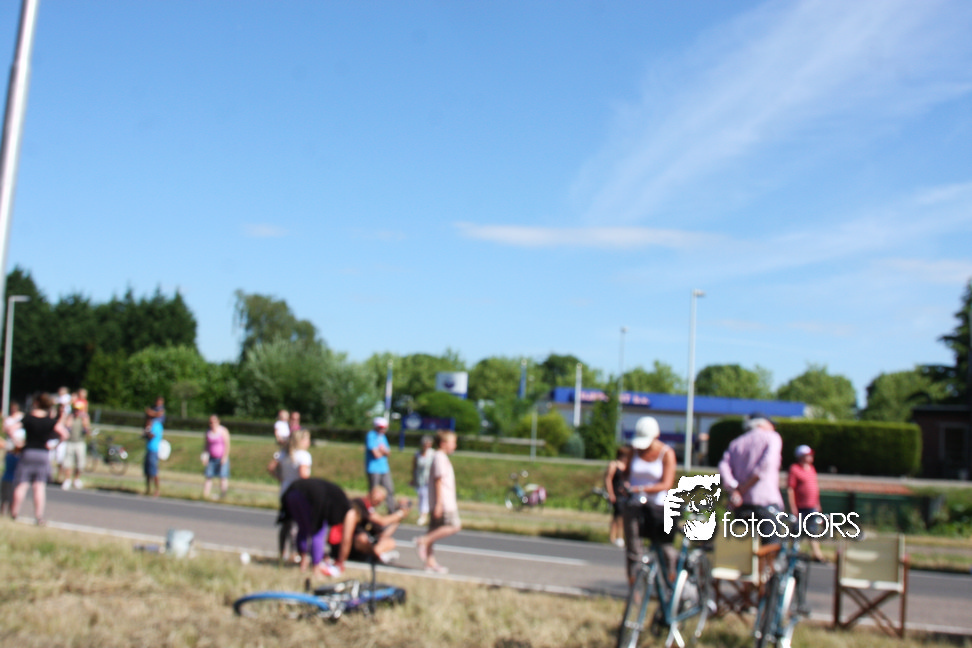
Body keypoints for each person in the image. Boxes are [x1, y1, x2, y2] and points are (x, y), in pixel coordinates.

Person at [622, 416, 676, 583]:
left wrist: (641, 488)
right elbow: (626, 474)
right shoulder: (634, 451)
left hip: (658, 506)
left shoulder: (666, 453)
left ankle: (671, 581)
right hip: (635, 504)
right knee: (633, 548)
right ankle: (635, 588)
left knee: (664, 547)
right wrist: (625, 485)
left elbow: (666, 483)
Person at [718, 413, 785, 541]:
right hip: (765, 501)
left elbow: (724, 467)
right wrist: (745, 487)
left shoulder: (736, 442)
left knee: (742, 546)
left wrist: (734, 488)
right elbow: (766, 465)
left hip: (741, 503)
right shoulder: (772, 438)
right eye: (771, 424)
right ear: (761, 423)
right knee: (771, 544)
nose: (774, 427)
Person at [279, 477, 358, 578]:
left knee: (303, 529)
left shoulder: (339, 501)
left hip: (292, 493)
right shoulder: (350, 511)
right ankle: (316, 568)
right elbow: (347, 539)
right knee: (318, 531)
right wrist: (340, 562)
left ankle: (303, 564)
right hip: (309, 496)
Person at [10, 393, 69, 524]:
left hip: (28, 451)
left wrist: (17, 442)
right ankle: (39, 516)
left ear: (36, 403)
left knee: (22, 484)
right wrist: (54, 445)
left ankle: (14, 513)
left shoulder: (28, 418)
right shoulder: (50, 421)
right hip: (43, 453)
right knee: (39, 486)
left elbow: (11, 428)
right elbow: (64, 434)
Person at [413, 431, 460, 573]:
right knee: (454, 526)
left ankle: (430, 562)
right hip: (444, 502)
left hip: (439, 501)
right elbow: (438, 480)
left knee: (433, 530)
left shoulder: (439, 457)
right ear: (443, 443)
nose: (455, 446)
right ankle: (423, 540)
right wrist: (439, 503)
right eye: (453, 443)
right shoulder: (439, 457)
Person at [267, 427, 313, 562]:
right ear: (301, 441)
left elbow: (270, 467)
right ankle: (295, 552)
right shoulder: (304, 456)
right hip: (298, 492)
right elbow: (303, 475)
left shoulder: (283, 453)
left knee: (286, 523)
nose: (309, 442)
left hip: (285, 490)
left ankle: (283, 552)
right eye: (307, 439)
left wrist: (281, 478)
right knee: (297, 524)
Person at [344, 485, 411, 565]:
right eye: (375, 499)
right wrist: (400, 513)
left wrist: (397, 521)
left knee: (390, 542)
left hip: (367, 540)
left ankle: (378, 555)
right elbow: (382, 521)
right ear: (370, 494)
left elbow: (383, 534)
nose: (376, 502)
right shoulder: (360, 503)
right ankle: (378, 556)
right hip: (352, 538)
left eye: (379, 501)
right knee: (362, 539)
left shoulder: (371, 510)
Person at [787, 444, 826, 562]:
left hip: (812, 506)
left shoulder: (812, 469)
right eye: (807, 455)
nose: (810, 457)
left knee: (813, 530)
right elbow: (790, 489)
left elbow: (815, 487)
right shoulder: (794, 469)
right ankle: (792, 552)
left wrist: (818, 504)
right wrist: (793, 507)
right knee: (796, 530)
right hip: (800, 507)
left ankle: (817, 554)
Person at [364, 416, 398, 513]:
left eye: (384, 428)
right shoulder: (371, 436)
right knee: (373, 491)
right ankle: (369, 511)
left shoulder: (383, 437)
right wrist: (383, 451)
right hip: (373, 468)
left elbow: (388, 453)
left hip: (384, 468)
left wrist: (382, 451)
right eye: (381, 427)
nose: (383, 430)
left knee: (389, 489)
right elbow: (376, 454)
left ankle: (392, 511)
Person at [605, 445, 632, 547]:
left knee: (619, 515)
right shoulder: (614, 465)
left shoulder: (626, 466)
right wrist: (610, 493)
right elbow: (608, 479)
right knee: (619, 515)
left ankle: (614, 536)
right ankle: (617, 537)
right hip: (616, 493)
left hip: (624, 493)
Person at [1, 402, 25, 515]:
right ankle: (7, 511)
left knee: (8, 494)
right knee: (8, 493)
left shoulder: (22, 418)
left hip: (9, 477)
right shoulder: (14, 457)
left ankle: (8, 510)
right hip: (12, 477)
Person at [60, 404, 90, 490]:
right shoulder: (70, 417)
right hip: (70, 442)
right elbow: (66, 428)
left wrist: (85, 422)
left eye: (79, 410)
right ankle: (67, 479)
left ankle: (76, 479)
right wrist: (69, 420)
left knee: (80, 463)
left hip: (80, 442)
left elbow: (87, 431)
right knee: (68, 462)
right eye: (76, 410)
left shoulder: (84, 418)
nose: (77, 412)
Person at [202, 415, 231, 499]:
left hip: (221, 457)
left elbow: (227, 445)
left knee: (223, 476)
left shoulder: (223, 431)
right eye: (211, 422)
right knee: (208, 476)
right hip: (211, 458)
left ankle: (223, 495)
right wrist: (205, 456)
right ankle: (205, 495)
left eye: (214, 421)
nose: (212, 424)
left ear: (218, 421)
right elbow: (206, 445)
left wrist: (225, 457)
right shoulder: (208, 432)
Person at [143, 397, 165, 497]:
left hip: (154, 449)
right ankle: (148, 489)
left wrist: (147, 433)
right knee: (147, 471)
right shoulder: (150, 425)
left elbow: (152, 435)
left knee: (154, 471)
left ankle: (157, 490)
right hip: (148, 448)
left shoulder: (157, 425)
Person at [410, 434, 434, 526]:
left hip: (429, 479)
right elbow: (414, 466)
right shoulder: (417, 454)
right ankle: (422, 514)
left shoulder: (433, 454)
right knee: (421, 496)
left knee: (426, 497)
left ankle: (424, 515)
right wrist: (413, 478)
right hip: (420, 478)